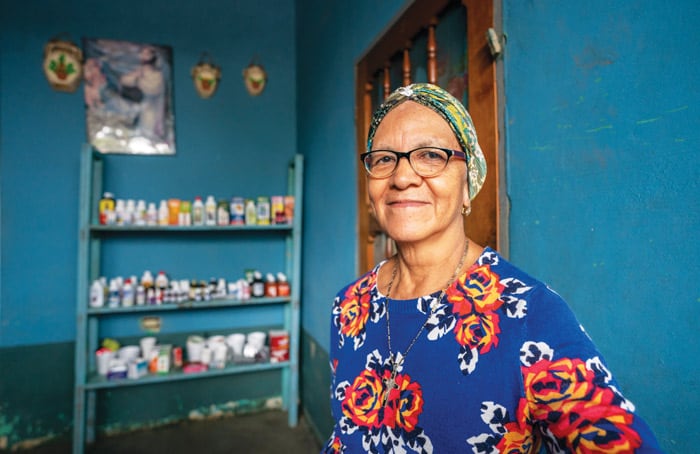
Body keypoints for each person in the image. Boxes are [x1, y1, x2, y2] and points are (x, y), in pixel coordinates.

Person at [323, 83, 662, 453]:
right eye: (384, 159)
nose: (402, 177)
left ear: (468, 184)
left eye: (431, 155)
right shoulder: (349, 306)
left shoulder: (528, 313)